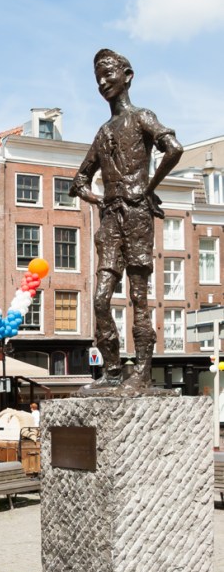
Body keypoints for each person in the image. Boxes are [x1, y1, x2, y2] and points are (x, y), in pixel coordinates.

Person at [70, 48, 183, 393]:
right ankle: (114, 370)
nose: (103, 82)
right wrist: (100, 198)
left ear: (127, 76)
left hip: (136, 214)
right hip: (111, 218)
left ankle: (143, 371)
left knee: (138, 297)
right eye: (98, 78)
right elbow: (79, 181)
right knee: (101, 298)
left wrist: (147, 189)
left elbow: (174, 148)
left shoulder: (142, 117)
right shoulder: (103, 132)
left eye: (108, 74)